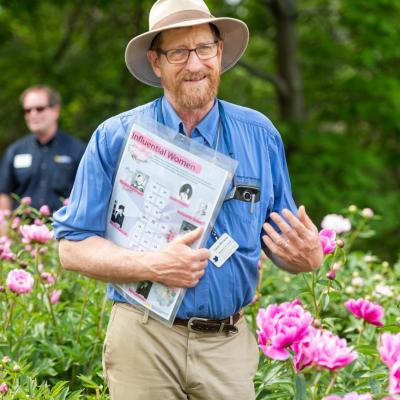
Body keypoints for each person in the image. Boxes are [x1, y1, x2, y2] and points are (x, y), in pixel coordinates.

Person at [53, 0, 323, 399]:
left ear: (220, 52)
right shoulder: (115, 137)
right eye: (178, 52)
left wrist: (309, 255)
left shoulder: (259, 135)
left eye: (203, 48)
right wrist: (153, 265)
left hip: (226, 345)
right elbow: (71, 248)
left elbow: (282, 241)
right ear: (156, 62)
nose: (194, 64)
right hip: (143, 338)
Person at [0, 85, 86, 213]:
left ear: (55, 111)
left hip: (61, 230)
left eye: (39, 109)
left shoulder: (77, 149)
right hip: (21, 229)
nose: (33, 114)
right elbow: (4, 195)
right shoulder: (14, 151)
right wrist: (5, 229)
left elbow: (87, 195)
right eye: (27, 110)